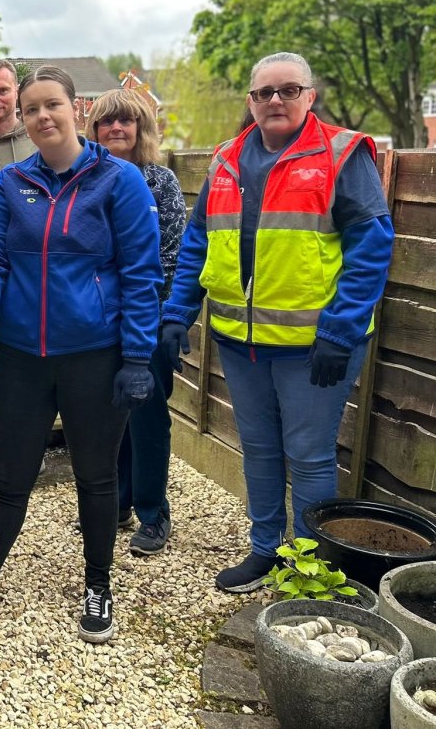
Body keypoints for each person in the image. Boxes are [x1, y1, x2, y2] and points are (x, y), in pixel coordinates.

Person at [0, 65, 162, 651]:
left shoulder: (120, 182)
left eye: (52, 105)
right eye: (31, 108)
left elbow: (140, 274)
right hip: (21, 357)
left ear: (76, 110)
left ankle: (98, 584)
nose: (41, 116)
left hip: (94, 355)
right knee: (10, 478)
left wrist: (137, 356)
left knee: (95, 475)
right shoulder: (11, 185)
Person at [161, 52, 394, 593]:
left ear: (309, 96)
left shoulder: (340, 153)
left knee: (309, 455)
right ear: (250, 101)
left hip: (315, 345)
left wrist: (340, 328)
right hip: (241, 342)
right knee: (259, 449)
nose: (275, 101)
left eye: (288, 90)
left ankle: (308, 566)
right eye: (264, 93)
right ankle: (266, 549)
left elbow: (372, 246)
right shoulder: (225, 159)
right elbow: (198, 243)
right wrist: (177, 313)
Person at [88, 88, 186, 555]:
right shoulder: (84, 180)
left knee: (147, 420)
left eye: (126, 121)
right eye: (107, 122)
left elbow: (168, 259)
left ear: (141, 129)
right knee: (110, 418)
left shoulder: (160, 182)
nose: (116, 129)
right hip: (96, 323)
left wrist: (157, 322)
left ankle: (153, 511)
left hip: (146, 322)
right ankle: (117, 502)